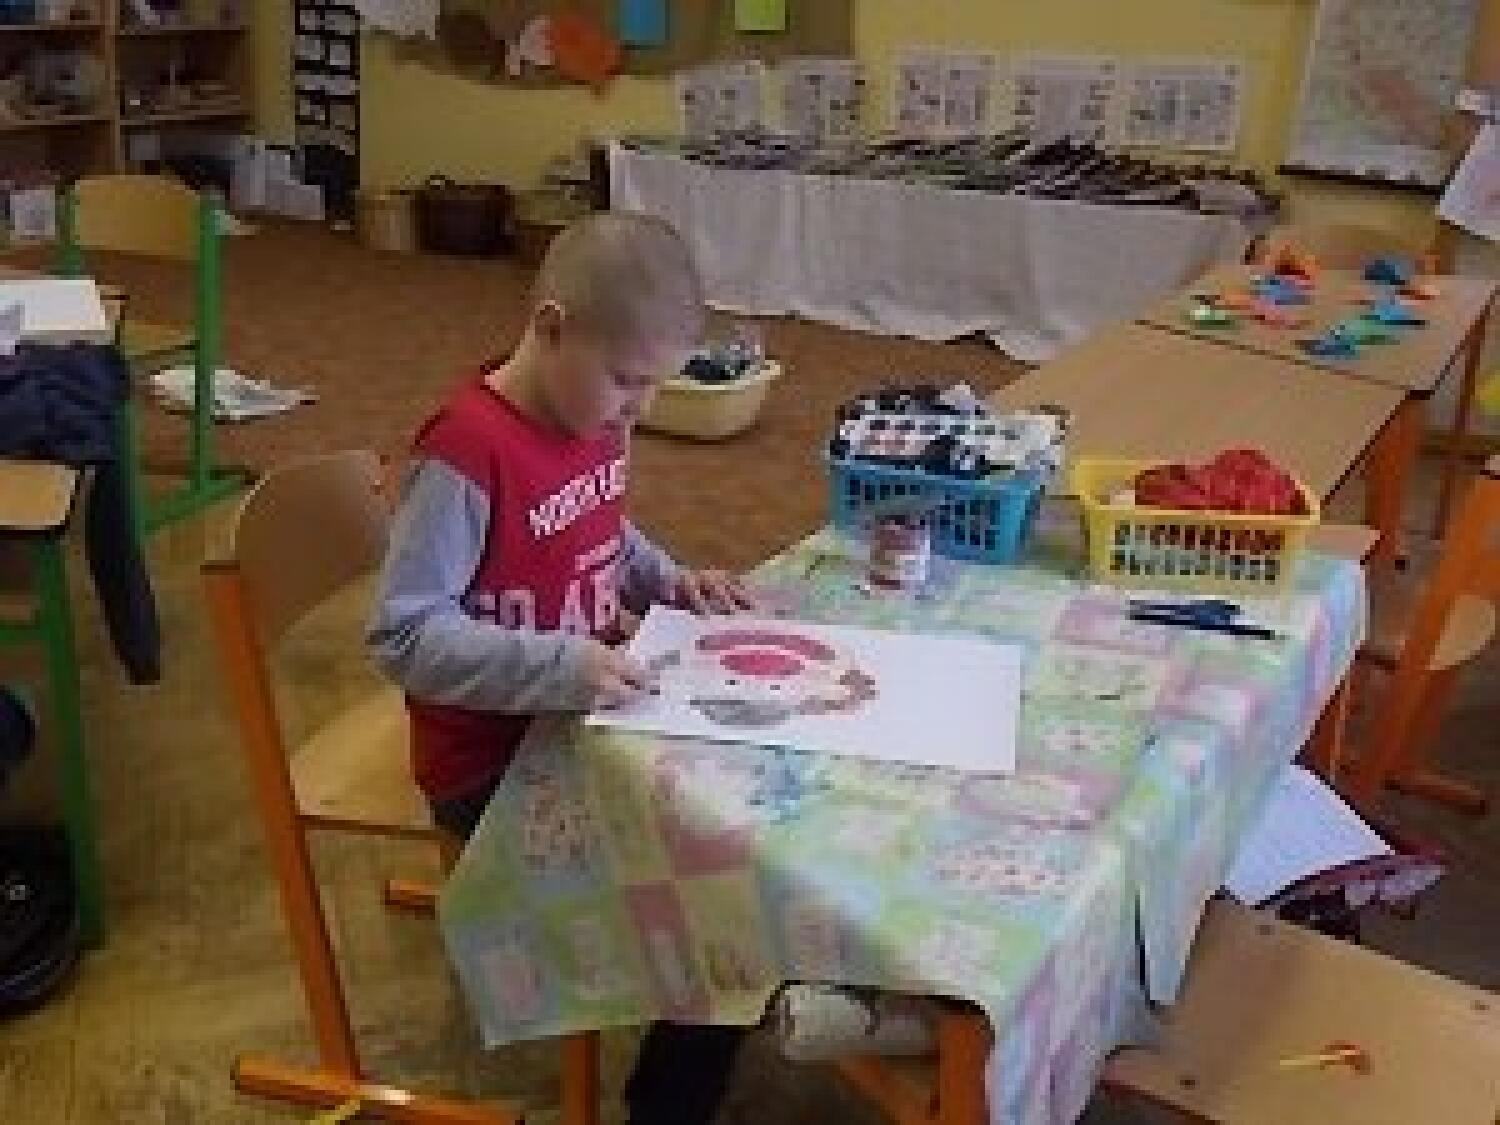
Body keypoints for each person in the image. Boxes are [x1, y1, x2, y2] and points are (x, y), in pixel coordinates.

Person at [368, 211, 751, 1125]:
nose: (640, 409)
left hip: (578, 722)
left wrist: (669, 579)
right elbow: (402, 636)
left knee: (750, 811)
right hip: (490, 771)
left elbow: (601, 523)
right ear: (550, 327)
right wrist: (560, 665)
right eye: (629, 379)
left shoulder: (593, 415)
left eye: (654, 385)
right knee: (724, 907)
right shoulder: (464, 454)